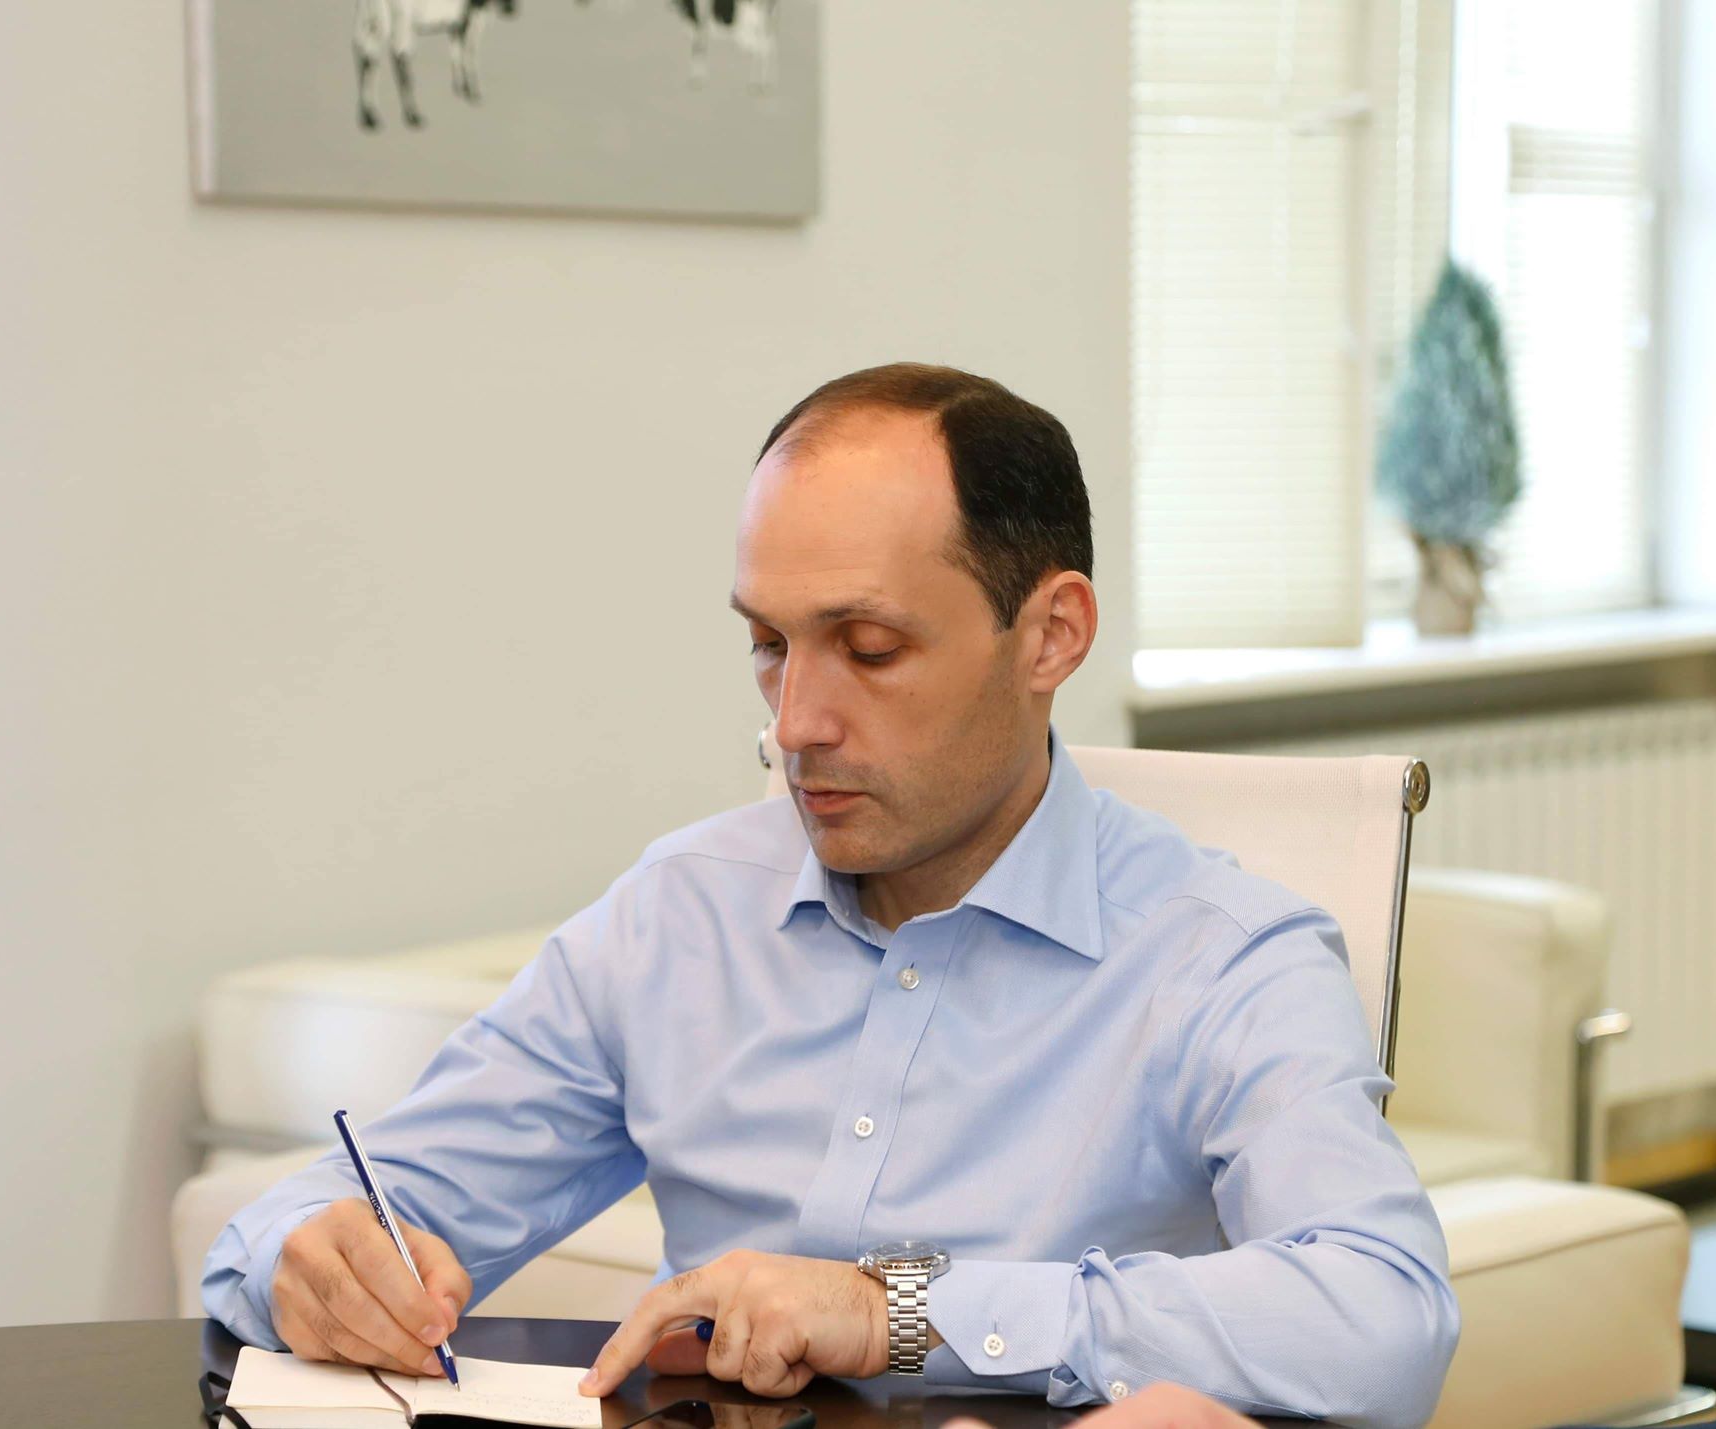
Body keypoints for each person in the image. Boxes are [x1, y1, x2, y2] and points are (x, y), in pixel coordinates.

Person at [202, 364, 1459, 1429]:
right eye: (768, 643)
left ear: (1050, 636)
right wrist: (314, 1259)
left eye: (868, 649)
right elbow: (310, 1221)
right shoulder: (678, 916)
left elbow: (1382, 1314)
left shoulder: (1224, 957)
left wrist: (896, 1312)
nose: (795, 721)